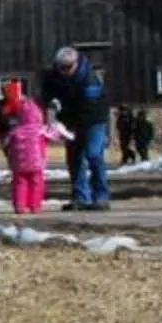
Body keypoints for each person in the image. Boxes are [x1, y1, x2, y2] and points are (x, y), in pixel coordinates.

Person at [44, 46, 112, 211]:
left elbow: (90, 107)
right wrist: (52, 107)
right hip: (71, 120)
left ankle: (101, 196)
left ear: (76, 63)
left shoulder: (89, 78)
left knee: (93, 154)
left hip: (95, 119)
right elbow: (48, 94)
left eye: (68, 67)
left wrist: (75, 128)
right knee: (74, 157)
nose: (64, 71)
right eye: (61, 67)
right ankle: (80, 197)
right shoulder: (53, 76)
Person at [1, 85, 48, 214]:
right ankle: (35, 205)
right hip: (36, 163)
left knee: (19, 184)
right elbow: (52, 135)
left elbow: (6, 142)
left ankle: (20, 205)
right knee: (36, 183)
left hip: (19, 163)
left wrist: (7, 151)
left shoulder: (15, 131)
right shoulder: (40, 131)